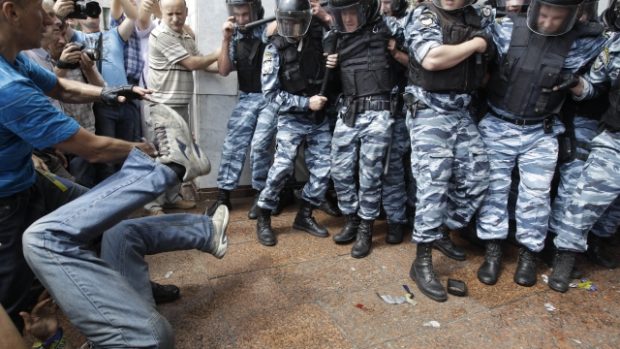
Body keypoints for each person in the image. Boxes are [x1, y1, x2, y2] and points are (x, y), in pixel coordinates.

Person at [476, 0, 605, 287]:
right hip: (498, 123)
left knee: (535, 197)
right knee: (494, 190)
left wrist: (575, 83)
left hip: (541, 131)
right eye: (544, 15)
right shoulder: (507, 28)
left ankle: (528, 254)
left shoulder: (582, 44)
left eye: (556, 18)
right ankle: (493, 250)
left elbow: (593, 89)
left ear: (570, 17)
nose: (547, 23)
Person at [402, 0, 493, 301]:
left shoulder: (476, 15)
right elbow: (431, 58)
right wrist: (477, 43)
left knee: (478, 178)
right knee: (434, 183)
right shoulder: (425, 14)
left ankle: (441, 229)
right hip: (429, 109)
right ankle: (422, 259)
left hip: (461, 110)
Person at [548, 0, 620, 292]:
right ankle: (564, 258)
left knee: (614, 208)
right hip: (615, 139)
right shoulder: (614, 46)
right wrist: (575, 84)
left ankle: (600, 244)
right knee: (585, 201)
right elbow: (593, 86)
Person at [326, 0, 404, 258]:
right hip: (348, 109)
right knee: (339, 169)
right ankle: (351, 218)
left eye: (352, 12)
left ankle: (366, 227)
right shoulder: (335, 35)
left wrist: (396, 52)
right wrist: (330, 63)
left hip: (379, 110)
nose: (347, 18)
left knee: (370, 175)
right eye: (342, 13)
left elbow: (416, 56)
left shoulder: (389, 26)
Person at [255, 0, 335, 246]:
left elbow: (337, 40)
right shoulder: (274, 49)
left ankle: (305, 214)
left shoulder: (319, 38)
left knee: (323, 170)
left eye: (296, 21)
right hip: (292, 118)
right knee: (281, 169)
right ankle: (264, 216)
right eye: (286, 21)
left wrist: (333, 61)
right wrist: (305, 104)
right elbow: (270, 94)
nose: (291, 26)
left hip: (318, 118)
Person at [144, 0, 220, 215]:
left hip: (180, 105)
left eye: (179, 13)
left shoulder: (186, 37)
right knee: (165, 157)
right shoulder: (161, 34)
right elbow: (192, 64)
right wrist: (219, 50)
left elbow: (203, 63)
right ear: (162, 13)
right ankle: (152, 204)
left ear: (186, 12)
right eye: (170, 14)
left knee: (181, 157)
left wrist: (226, 63)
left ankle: (171, 197)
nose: (175, 18)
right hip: (163, 107)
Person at [207, 0, 269, 216]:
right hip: (248, 97)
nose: (242, 20)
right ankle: (223, 196)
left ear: (255, 10)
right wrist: (225, 39)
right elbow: (224, 70)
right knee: (233, 142)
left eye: (246, 14)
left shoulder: (269, 29)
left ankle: (261, 195)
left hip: (270, 97)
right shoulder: (234, 35)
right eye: (238, 15)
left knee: (261, 145)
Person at [378, 0, 411, 245]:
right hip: (380, 108)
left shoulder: (410, 24)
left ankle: (402, 218)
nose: (384, 5)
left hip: (406, 108)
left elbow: (420, 64)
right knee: (387, 168)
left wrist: (395, 51)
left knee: (404, 169)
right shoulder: (369, 24)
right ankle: (391, 217)